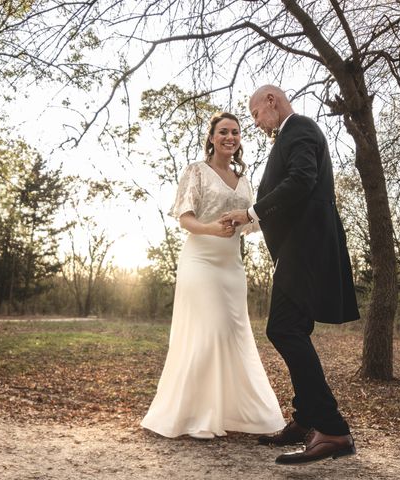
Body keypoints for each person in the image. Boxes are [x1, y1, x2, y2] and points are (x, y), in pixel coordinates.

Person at [222, 85, 360, 464]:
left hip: (306, 247)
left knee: (283, 329)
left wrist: (251, 213)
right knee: (293, 327)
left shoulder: (299, 127)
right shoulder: (290, 134)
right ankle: (305, 420)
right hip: (298, 249)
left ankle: (331, 428)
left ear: (271, 101)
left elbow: (302, 180)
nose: (255, 122)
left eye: (254, 114)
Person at [141, 112, 286, 440]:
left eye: (235, 132)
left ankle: (234, 413)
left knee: (232, 335)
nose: (229, 137)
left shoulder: (243, 179)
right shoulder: (196, 172)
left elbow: (251, 223)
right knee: (210, 332)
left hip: (232, 268)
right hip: (201, 262)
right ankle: (194, 414)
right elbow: (185, 219)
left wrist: (264, 217)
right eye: (223, 132)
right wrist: (212, 230)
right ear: (211, 137)